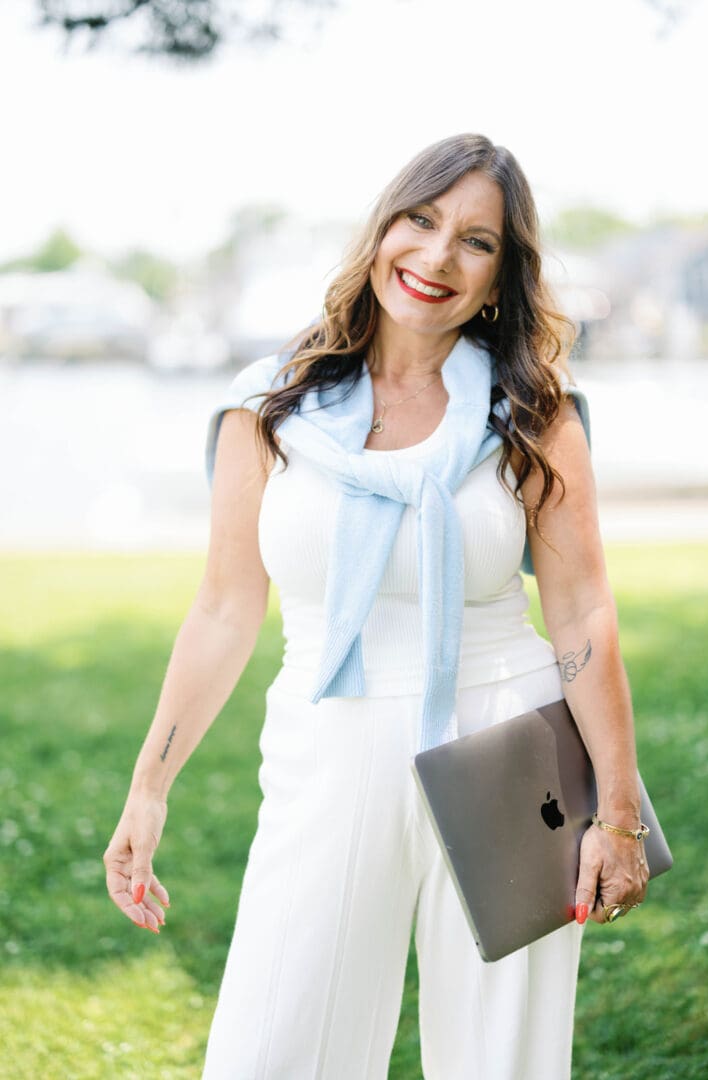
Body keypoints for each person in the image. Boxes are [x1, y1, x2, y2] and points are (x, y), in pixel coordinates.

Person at [103, 133, 650, 1079]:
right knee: (275, 1048)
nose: (438, 257)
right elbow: (227, 610)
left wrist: (619, 814)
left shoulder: (534, 414)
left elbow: (581, 614)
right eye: (423, 219)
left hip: (513, 747)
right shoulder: (269, 408)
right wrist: (150, 786)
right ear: (384, 228)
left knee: (502, 1061)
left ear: (500, 277)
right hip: (328, 742)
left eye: (476, 243)